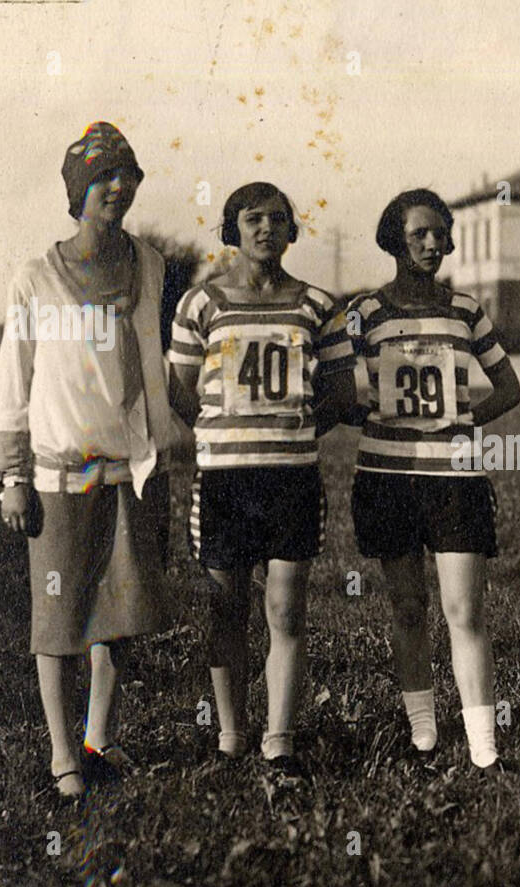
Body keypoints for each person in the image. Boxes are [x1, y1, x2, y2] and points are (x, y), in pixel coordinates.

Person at [0, 121, 184, 798]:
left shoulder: (152, 265)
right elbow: (13, 379)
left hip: (134, 467)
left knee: (121, 611)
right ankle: (63, 756)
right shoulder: (35, 276)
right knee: (60, 619)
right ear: (77, 190)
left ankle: (100, 734)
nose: (118, 187)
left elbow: (159, 368)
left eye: (127, 174)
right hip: (59, 473)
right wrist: (12, 475)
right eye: (103, 176)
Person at [168, 182, 355, 770]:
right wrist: (224, 432)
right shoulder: (202, 304)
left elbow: (342, 393)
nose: (266, 229)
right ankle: (230, 735)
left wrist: (292, 430)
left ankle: (279, 738)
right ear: (233, 229)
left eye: (279, 219)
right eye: (253, 219)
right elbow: (179, 391)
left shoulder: (317, 305)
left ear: (293, 230)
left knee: (286, 609)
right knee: (226, 607)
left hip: (291, 478)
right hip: (225, 478)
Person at [342, 188, 520, 773]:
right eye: (418, 233)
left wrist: (463, 425)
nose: (431, 243)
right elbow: (342, 393)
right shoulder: (364, 314)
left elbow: (508, 388)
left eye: (439, 234)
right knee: (408, 607)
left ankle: (482, 745)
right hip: (388, 478)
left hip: (455, 480)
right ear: (394, 238)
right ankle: (424, 733)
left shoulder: (466, 309)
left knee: (465, 609)